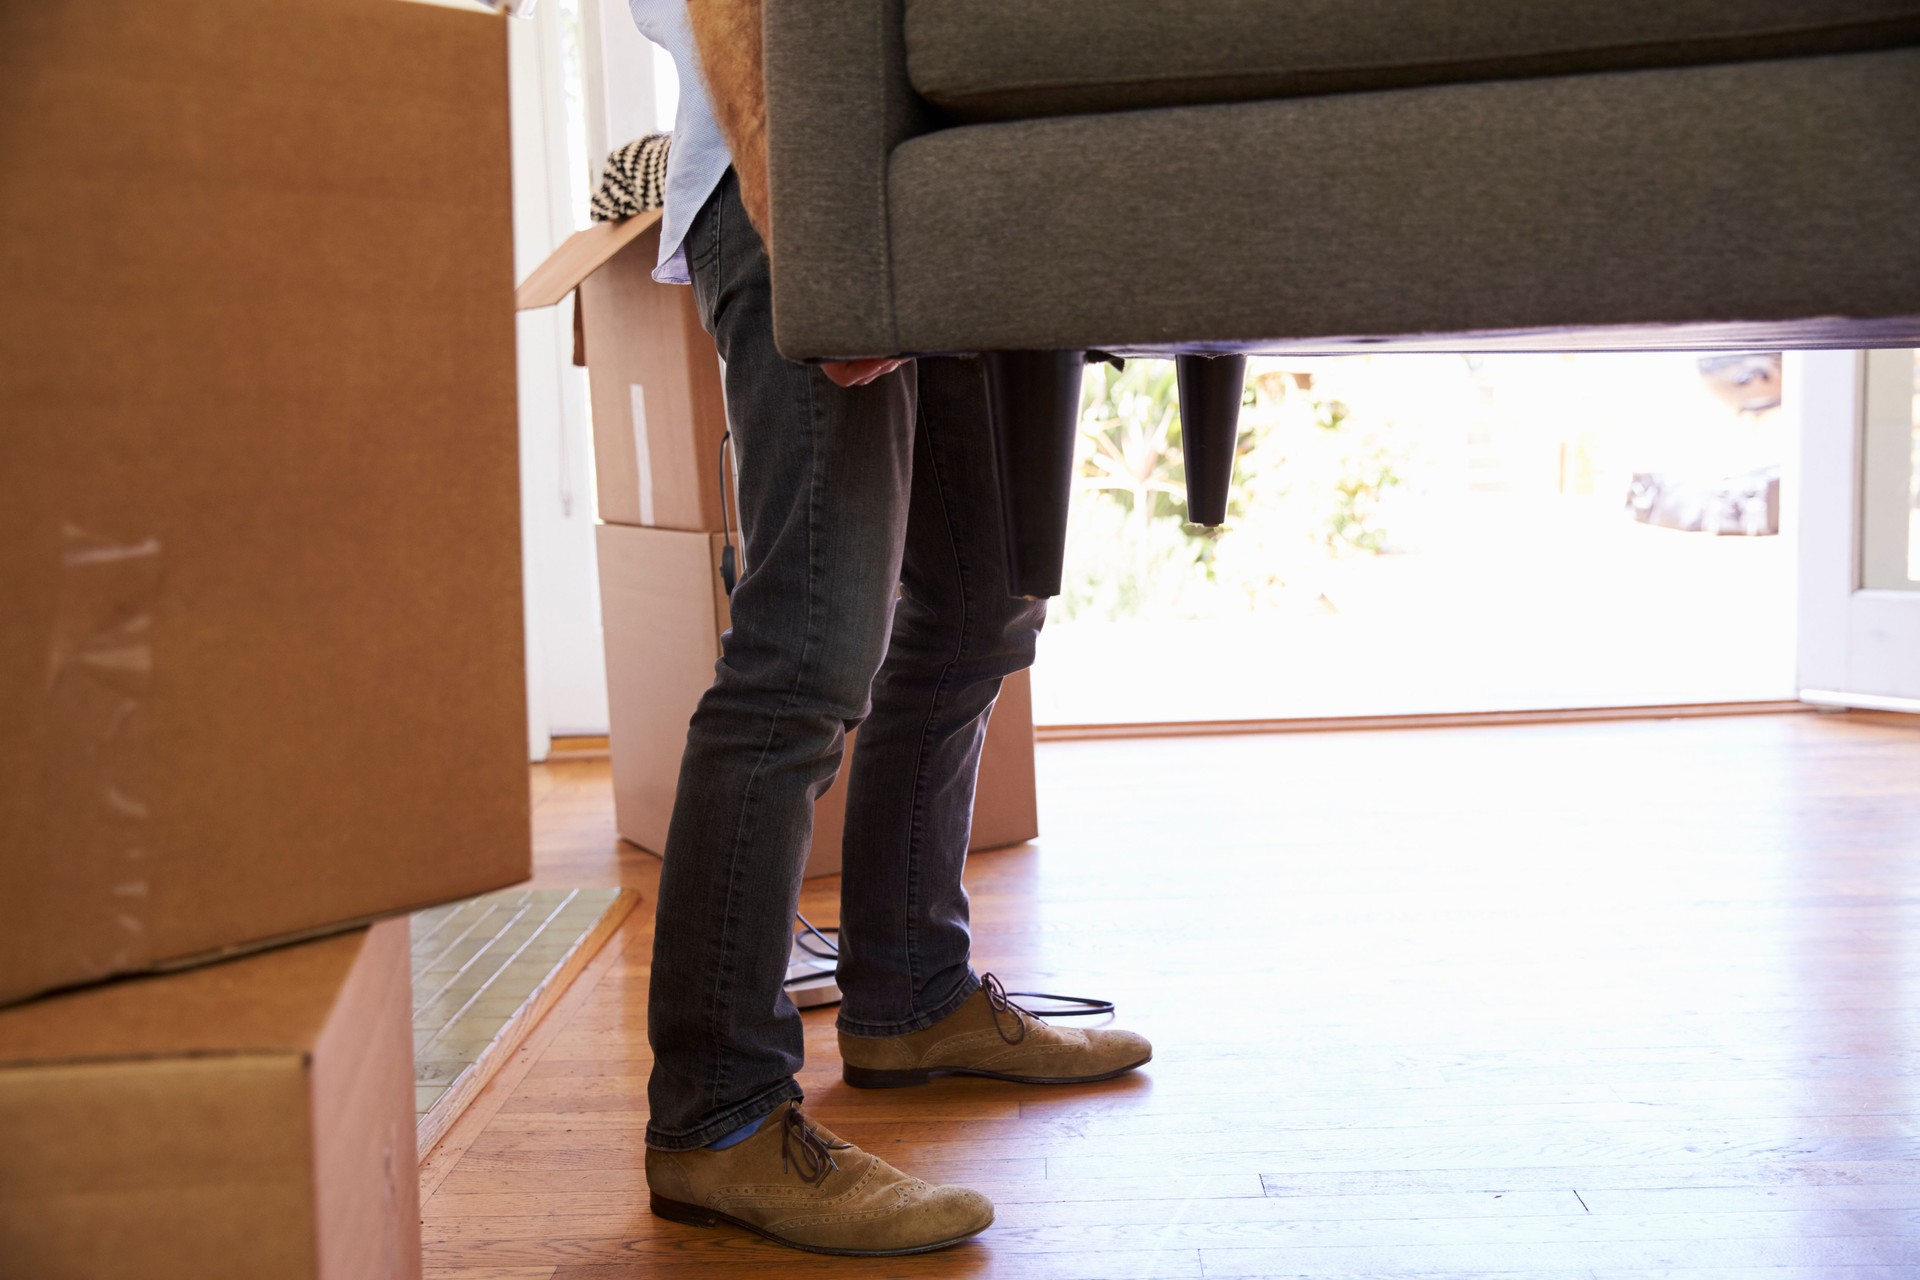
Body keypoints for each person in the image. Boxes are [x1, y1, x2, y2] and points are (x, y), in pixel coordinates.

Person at [627, 0, 1153, 1256]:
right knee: (804, 652)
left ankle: (911, 992)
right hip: (803, 191)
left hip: (958, 204)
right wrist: (805, 217)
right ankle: (718, 1114)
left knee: (984, 600)